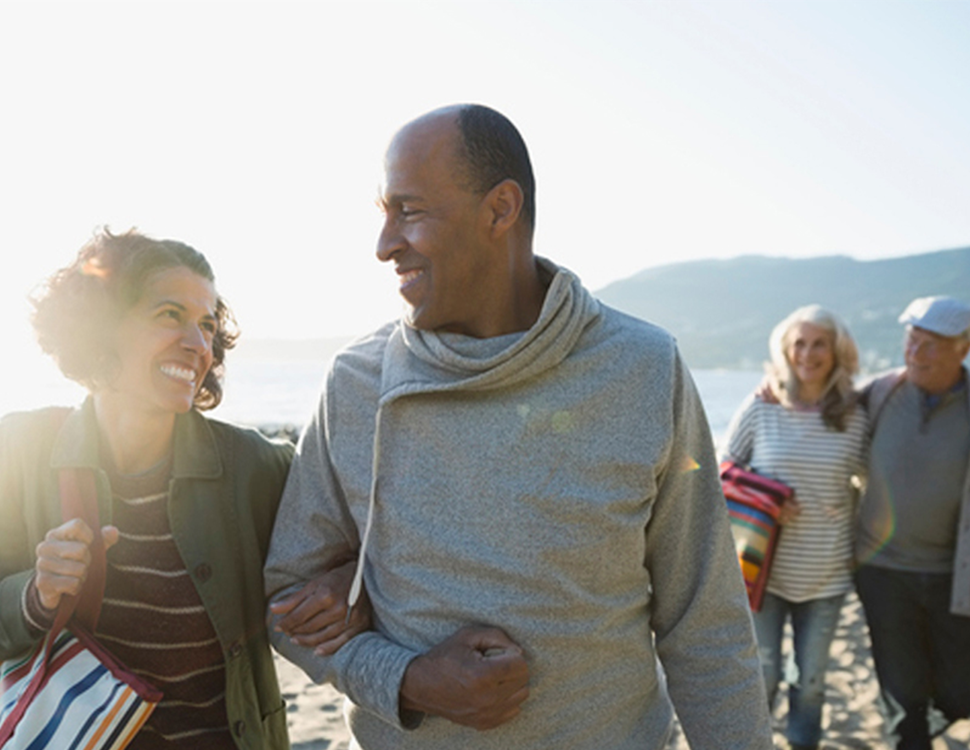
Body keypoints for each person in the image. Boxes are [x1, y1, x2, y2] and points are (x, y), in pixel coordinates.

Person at [264, 104, 771, 750]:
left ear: (500, 210)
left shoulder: (644, 368)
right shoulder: (356, 383)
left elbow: (706, 624)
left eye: (409, 211)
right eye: (383, 213)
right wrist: (410, 679)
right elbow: (288, 605)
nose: (384, 244)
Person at [0, 228, 366, 749]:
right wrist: (34, 596)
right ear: (101, 327)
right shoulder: (13, 454)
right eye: (169, 315)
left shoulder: (255, 468)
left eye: (207, 325)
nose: (198, 343)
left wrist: (345, 583)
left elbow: (366, 535)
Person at [720, 305, 868, 750]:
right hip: (761, 573)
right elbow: (721, 469)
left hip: (827, 575)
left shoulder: (855, 415)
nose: (808, 353)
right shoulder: (762, 405)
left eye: (818, 342)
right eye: (798, 343)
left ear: (836, 350)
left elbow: (872, 479)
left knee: (812, 684)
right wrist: (767, 499)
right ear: (785, 350)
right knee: (761, 678)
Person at [854, 295, 970, 750]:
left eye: (931, 345)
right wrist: (773, 391)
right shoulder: (879, 393)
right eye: (911, 341)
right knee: (903, 697)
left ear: (963, 348)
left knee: (959, 691)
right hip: (882, 571)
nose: (915, 354)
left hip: (952, 575)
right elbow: (811, 409)